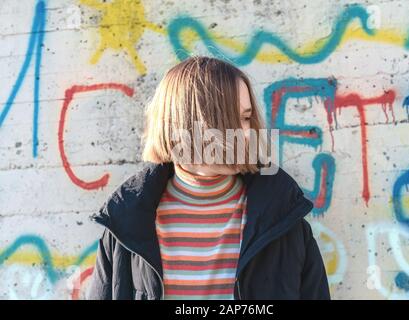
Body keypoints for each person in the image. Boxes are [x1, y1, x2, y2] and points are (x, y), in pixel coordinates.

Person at [87, 56, 330, 300]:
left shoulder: (283, 219)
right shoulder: (126, 225)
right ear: (186, 125)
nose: (246, 134)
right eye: (229, 121)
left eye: (246, 118)